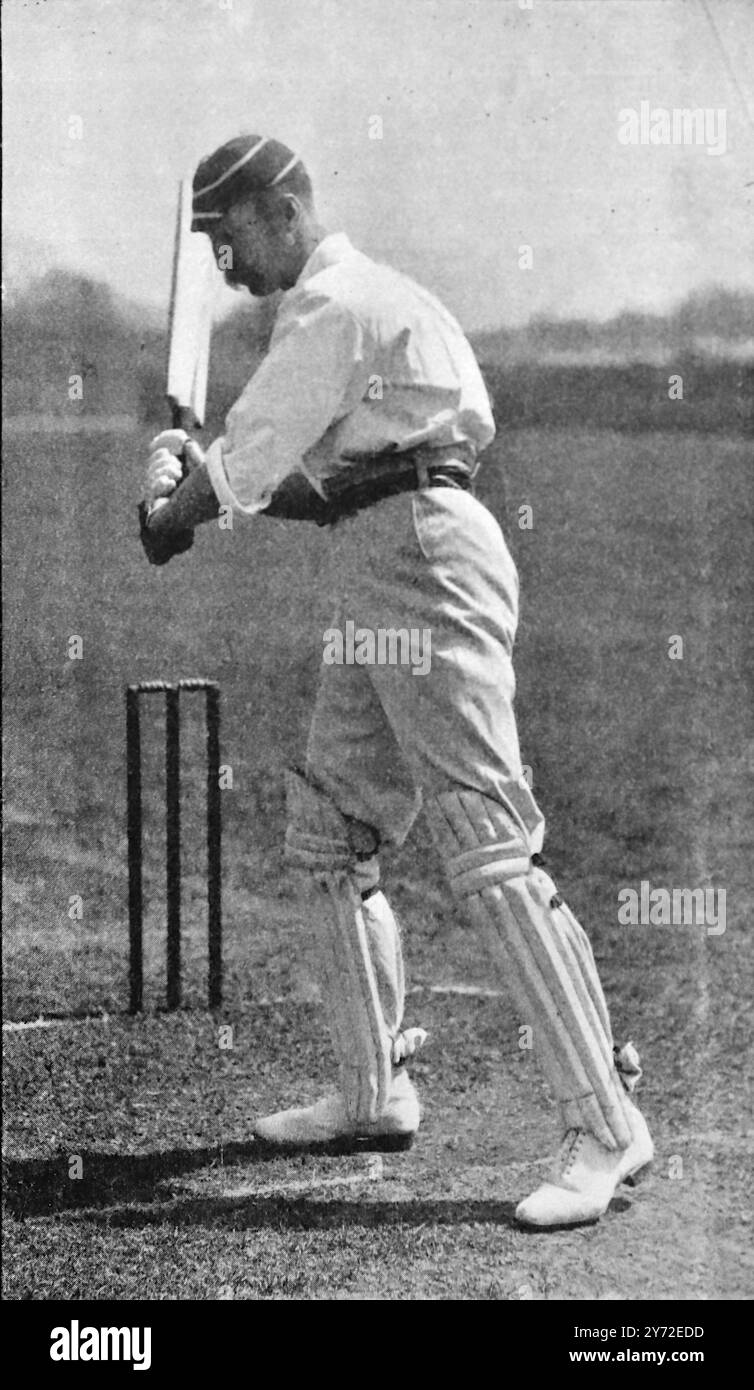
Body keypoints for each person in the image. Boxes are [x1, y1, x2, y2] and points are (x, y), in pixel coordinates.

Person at [141, 133, 653, 1227]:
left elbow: (254, 454)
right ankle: (374, 1091)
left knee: (487, 845)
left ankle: (606, 1126)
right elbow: (317, 484)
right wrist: (207, 481)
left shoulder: (341, 305)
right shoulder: (363, 307)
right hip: (382, 550)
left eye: (232, 239)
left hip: (422, 559)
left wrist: (175, 508)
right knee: (330, 831)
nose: (226, 268)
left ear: (283, 209)